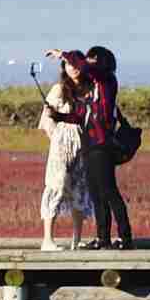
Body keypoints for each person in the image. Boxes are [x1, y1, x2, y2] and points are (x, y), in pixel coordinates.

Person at [79, 44, 134, 249]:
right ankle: (103, 239)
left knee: (109, 191)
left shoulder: (107, 79)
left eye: (91, 58)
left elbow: (84, 67)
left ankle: (125, 238)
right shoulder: (92, 86)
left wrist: (63, 55)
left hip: (102, 144)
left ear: (100, 62)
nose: (87, 62)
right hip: (89, 144)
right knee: (96, 193)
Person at [37, 59, 91, 251]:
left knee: (80, 188)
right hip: (62, 143)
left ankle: (77, 239)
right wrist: (57, 138)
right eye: (68, 65)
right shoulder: (59, 89)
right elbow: (46, 119)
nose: (73, 69)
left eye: (76, 65)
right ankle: (48, 239)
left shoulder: (89, 88)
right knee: (56, 185)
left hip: (83, 143)